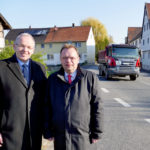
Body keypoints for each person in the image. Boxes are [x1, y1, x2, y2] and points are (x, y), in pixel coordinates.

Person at [44, 44, 103, 150]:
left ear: (78, 59)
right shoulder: (52, 80)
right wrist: (47, 130)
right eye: (65, 58)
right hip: (60, 137)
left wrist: (97, 131)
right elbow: (46, 107)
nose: (68, 61)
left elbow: (97, 106)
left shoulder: (90, 78)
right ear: (60, 59)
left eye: (72, 58)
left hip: (84, 137)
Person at [0, 33, 47, 150]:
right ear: (14, 47)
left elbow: (44, 100)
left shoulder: (40, 68)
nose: (25, 50)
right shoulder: (1, 67)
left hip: (34, 133)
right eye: (21, 46)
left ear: (33, 50)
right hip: (9, 134)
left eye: (29, 47)